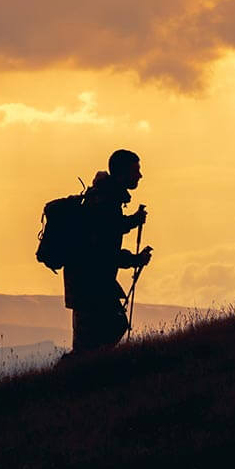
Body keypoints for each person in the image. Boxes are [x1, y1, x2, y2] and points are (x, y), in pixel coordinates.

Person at [63, 148, 153, 355]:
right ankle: (66, 380)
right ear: (122, 173)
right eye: (135, 171)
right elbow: (103, 247)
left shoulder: (105, 199)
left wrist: (131, 226)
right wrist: (135, 257)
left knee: (106, 331)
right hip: (89, 284)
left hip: (89, 283)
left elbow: (107, 239)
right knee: (89, 344)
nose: (140, 175)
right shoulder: (105, 201)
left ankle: (82, 377)